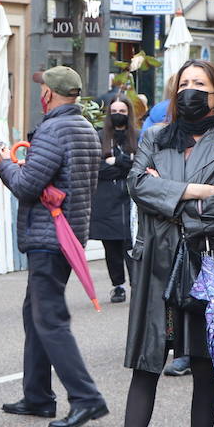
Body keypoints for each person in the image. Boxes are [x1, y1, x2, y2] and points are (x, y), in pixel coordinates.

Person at [81, 59, 214, 427]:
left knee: (202, 365)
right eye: (184, 84)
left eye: (200, 84)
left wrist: (169, 192)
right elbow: (137, 186)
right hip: (156, 262)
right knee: (146, 363)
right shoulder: (155, 136)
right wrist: (194, 191)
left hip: (208, 266)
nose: (190, 90)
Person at [0, 66, 108, 427]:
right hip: (68, 233)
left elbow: (28, 185)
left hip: (48, 236)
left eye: (42, 88)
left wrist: (5, 165)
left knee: (49, 319)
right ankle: (38, 395)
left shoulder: (52, 129)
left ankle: (85, 397)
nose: (39, 94)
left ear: (50, 94)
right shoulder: (86, 129)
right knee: (35, 314)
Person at [90, 95, 137, 304]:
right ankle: (117, 286)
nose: (119, 115)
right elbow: (97, 169)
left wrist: (116, 160)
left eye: (123, 112)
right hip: (106, 200)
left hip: (129, 200)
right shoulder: (99, 137)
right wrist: (123, 166)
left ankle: (137, 284)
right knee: (111, 247)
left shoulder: (136, 137)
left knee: (131, 244)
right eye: (115, 111)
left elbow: (138, 168)